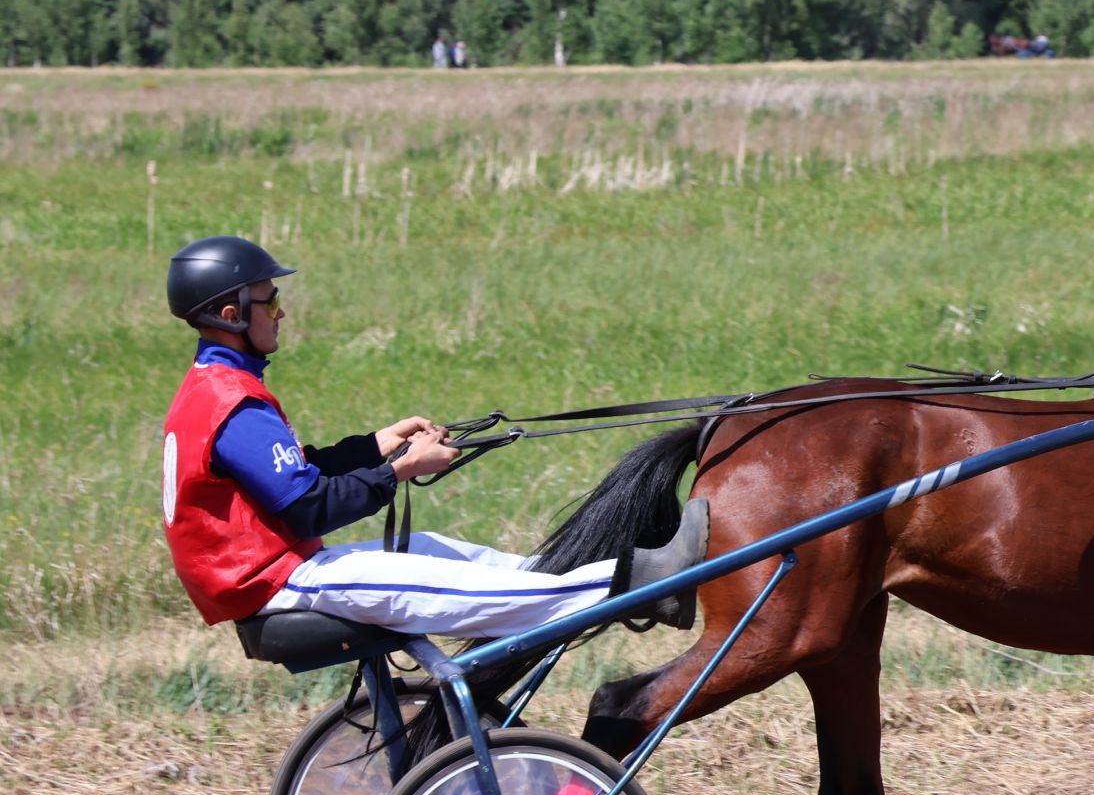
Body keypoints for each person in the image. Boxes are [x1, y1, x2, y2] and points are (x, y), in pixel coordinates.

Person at [160, 235, 705, 640]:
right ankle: (641, 581)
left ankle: (566, 572)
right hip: (275, 584)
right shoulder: (233, 403)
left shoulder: (218, 388)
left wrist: (378, 443)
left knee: (431, 550)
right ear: (231, 315)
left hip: (280, 573)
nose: (282, 312)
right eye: (271, 300)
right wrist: (401, 469)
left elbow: (298, 472)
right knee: (472, 594)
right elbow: (307, 507)